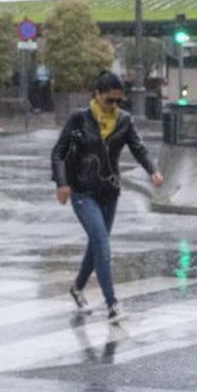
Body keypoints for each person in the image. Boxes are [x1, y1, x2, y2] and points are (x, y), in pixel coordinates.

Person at [52, 71, 163, 323]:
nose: (114, 106)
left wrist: (153, 170)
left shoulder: (124, 120)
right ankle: (112, 303)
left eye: (118, 101)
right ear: (97, 95)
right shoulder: (79, 119)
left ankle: (77, 288)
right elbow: (58, 152)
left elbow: (138, 148)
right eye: (109, 100)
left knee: (96, 245)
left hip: (109, 193)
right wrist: (62, 183)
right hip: (82, 191)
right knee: (102, 243)